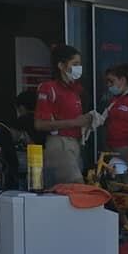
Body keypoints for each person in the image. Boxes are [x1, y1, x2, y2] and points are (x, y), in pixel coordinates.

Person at [34, 44, 96, 186]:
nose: (78, 67)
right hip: (59, 143)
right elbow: (39, 124)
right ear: (61, 65)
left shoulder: (76, 90)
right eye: (75, 64)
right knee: (78, 188)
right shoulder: (49, 88)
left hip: (75, 144)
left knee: (67, 193)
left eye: (79, 64)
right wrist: (75, 122)